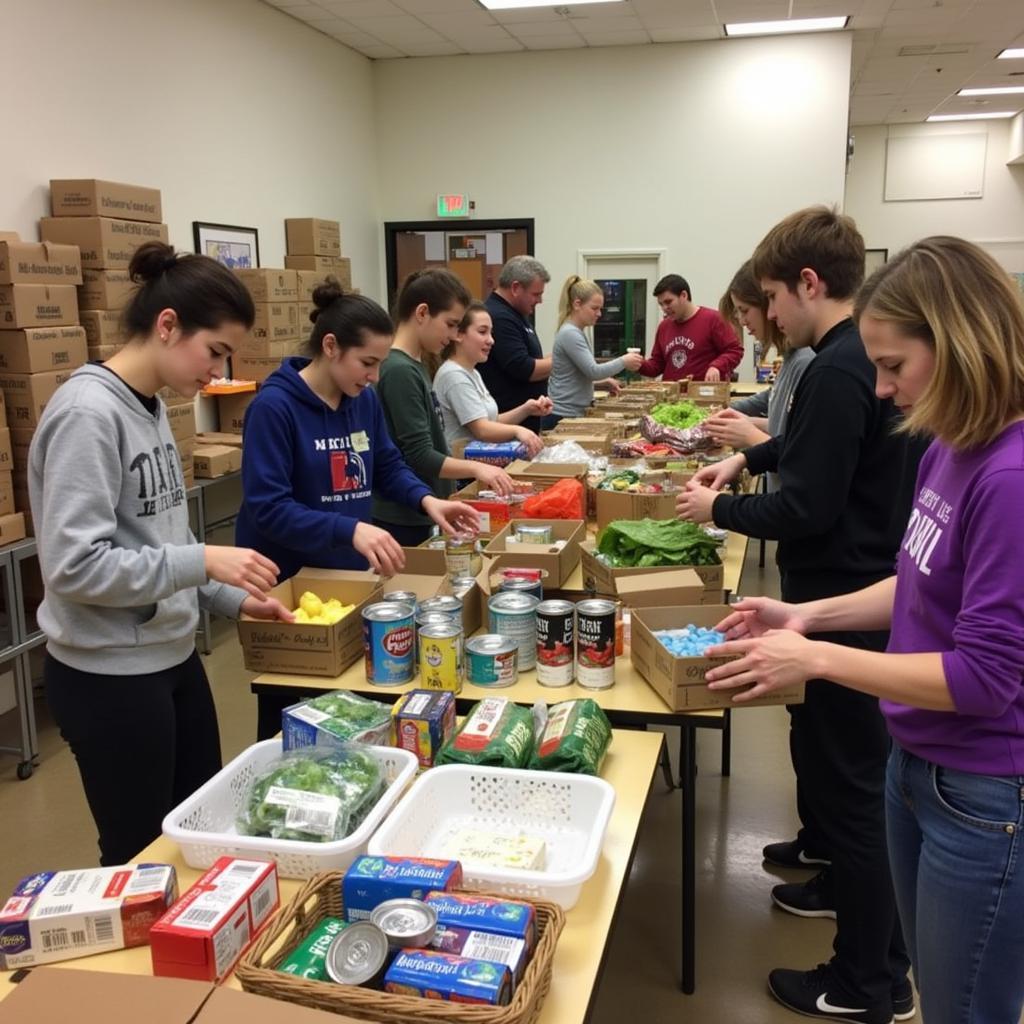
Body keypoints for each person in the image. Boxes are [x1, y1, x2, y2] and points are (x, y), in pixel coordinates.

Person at [706, 236, 1024, 1024]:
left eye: (894, 366)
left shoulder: (1010, 475)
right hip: (916, 761)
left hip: (983, 792)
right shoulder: (951, 443)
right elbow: (913, 583)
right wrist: (808, 615)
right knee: (928, 980)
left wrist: (815, 657)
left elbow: (983, 678)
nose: (880, 389)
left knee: (968, 1005)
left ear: (958, 345)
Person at [676, 207, 924, 1023]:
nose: (768, 314)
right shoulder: (846, 362)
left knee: (855, 794)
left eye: (775, 297)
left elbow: (811, 504)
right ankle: (849, 909)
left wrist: (717, 514)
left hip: (847, 596)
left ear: (810, 285)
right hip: (842, 594)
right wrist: (746, 458)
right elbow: (807, 448)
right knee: (837, 779)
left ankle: (867, 983)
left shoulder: (841, 365)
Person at [27, 241, 293, 866]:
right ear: (168, 325)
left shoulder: (150, 408)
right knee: (139, 854)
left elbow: (161, 539)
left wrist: (235, 600)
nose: (217, 372)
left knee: (196, 835)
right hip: (108, 676)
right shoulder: (88, 414)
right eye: (215, 352)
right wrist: (202, 561)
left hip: (170, 660)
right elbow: (72, 566)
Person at [237, 277, 482, 580]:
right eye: (367, 362)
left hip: (347, 573)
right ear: (330, 346)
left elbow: (387, 466)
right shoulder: (273, 408)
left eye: (380, 363)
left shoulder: (363, 400)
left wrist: (426, 499)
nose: (375, 376)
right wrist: (349, 529)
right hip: (286, 580)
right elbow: (269, 508)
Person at [374, 269, 514, 546]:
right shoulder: (399, 370)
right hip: (403, 515)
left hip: (423, 509)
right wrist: (477, 469)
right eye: (450, 324)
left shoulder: (417, 364)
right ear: (422, 313)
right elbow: (418, 454)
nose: (452, 335)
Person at [705, 260, 816, 491]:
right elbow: (778, 407)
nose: (743, 321)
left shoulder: (804, 360)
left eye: (745, 311)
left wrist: (750, 434)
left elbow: (800, 455)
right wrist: (741, 417)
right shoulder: (792, 356)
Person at [433, 300, 552, 456]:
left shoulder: (473, 373)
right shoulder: (453, 376)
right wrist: (519, 430)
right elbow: (482, 430)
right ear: (459, 334)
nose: (491, 340)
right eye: (482, 332)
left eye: (491, 333)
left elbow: (491, 422)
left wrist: (527, 409)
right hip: (463, 476)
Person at [545, 275, 644, 427]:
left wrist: (602, 382)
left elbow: (577, 375)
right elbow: (593, 371)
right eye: (594, 308)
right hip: (564, 415)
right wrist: (624, 360)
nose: (599, 314)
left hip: (570, 413)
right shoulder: (570, 333)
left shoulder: (576, 331)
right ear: (577, 304)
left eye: (600, 309)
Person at [479, 255, 552, 433]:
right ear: (515, 287)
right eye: (536, 294)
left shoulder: (517, 314)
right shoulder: (500, 317)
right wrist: (563, 359)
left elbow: (532, 359)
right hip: (509, 427)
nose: (540, 301)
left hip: (525, 424)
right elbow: (524, 368)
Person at [638, 273, 743, 383]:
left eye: (668, 302)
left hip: (704, 394)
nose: (664, 308)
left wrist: (716, 366)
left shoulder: (714, 319)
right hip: (671, 397)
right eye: (661, 304)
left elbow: (735, 351)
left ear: (684, 295)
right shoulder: (664, 326)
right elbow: (657, 365)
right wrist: (639, 365)